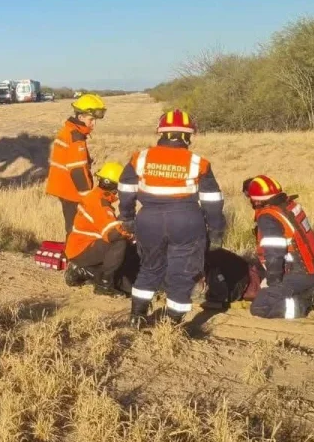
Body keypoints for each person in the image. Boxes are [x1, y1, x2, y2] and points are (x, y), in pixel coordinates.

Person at [118, 109, 225, 327]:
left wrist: (127, 217)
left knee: (149, 268)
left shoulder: (140, 158)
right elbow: (212, 201)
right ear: (188, 135)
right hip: (186, 222)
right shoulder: (199, 162)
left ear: (161, 133)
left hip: (149, 221)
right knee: (182, 274)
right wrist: (216, 230)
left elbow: (126, 189)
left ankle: (137, 316)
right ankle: (172, 324)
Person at [242, 176, 314, 320]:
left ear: (257, 200)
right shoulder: (289, 205)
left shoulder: (268, 217)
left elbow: (274, 254)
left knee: (260, 306)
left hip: (299, 274)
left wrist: (273, 283)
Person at [64, 162, 132, 296]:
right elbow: (112, 234)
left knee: (122, 280)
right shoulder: (100, 203)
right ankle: (103, 285)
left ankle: (82, 271)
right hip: (83, 249)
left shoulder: (95, 196)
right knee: (120, 244)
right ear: (114, 187)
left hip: (82, 248)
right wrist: (130, 231)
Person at [46, 94, 107, 233]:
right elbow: (77, 170)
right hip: (71, 191)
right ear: (80, 117)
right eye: (91, 119)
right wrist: (87, 197)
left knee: (72, 227)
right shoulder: (76, 137)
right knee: (76, 229)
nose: (94, 124)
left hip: (64, 189)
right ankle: (72, 247)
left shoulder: (69, 130)